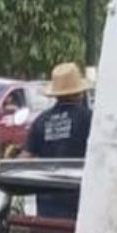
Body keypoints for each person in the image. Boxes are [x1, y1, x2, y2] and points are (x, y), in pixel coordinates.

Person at [22, 61, 92, 221]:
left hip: (47, 204)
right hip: (79, 203)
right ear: (79, 93)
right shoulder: (89, 119)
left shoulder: (41, 121)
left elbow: (25, 160)